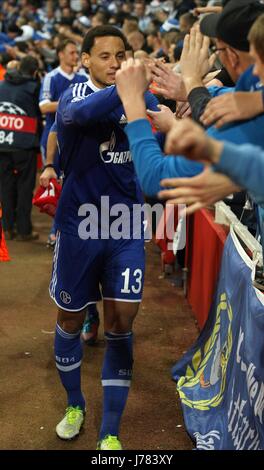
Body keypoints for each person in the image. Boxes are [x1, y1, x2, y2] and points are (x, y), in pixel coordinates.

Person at [51, 25, 158, 450]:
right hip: (79, 229)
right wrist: (129, 88)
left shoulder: (145, 101)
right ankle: (75, 403)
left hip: (126, 228)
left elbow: (161, 140)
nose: (114, 63)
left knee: (121, 323)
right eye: (105, 56)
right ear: (87, 61)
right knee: (71, 319)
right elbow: (79, 117)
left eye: (121, 55)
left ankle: (110, 431)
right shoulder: (73, 94)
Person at [39, 39, 87, 248]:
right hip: (53, 139)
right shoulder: (51, 77)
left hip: (79, 142)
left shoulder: (83, 77)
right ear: (60, 54)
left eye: (76, 53)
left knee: (75, 185)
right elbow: (43, 106)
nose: (75, 56)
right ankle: (55, 231)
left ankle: (70, 230)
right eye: (70, 52)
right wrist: (72, 102)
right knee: (55, 187)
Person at [0, 56, 41, 241]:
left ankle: (7, 228)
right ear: (34, 72)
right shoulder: (33, 88)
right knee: (25, 187)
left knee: (5, 186)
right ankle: (24, 230)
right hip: (25, 143)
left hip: (2, 141)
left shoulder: (1, 85)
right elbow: (39, 114)